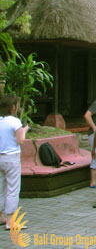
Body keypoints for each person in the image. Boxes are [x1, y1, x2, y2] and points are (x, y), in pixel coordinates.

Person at [0, 95, 29, 230]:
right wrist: (24, 130)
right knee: (13, 189)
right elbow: (20, 140)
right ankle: (10, 221)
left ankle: (1, 216)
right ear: (13, 107)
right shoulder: (14, 121)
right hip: (11, 158)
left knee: (1, 189)